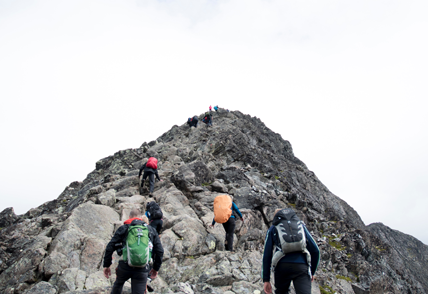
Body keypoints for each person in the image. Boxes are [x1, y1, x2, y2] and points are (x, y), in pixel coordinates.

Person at [103, 208, 164, 294]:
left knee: (118, 284)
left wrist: (107, 265)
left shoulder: (124, 228)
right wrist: (155, 268)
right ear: (141, 218)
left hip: (125, 266)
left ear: (129, 217)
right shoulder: (150, 230)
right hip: (142, 267)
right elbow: (160, 251)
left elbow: (110, 246)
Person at [261, 208, 320, 294]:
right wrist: (312, 271)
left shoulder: (273, 228)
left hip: (282, 266)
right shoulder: (300, 225)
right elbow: (315, 250)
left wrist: (266, 279)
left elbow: (267, 255)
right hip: (301, 266)